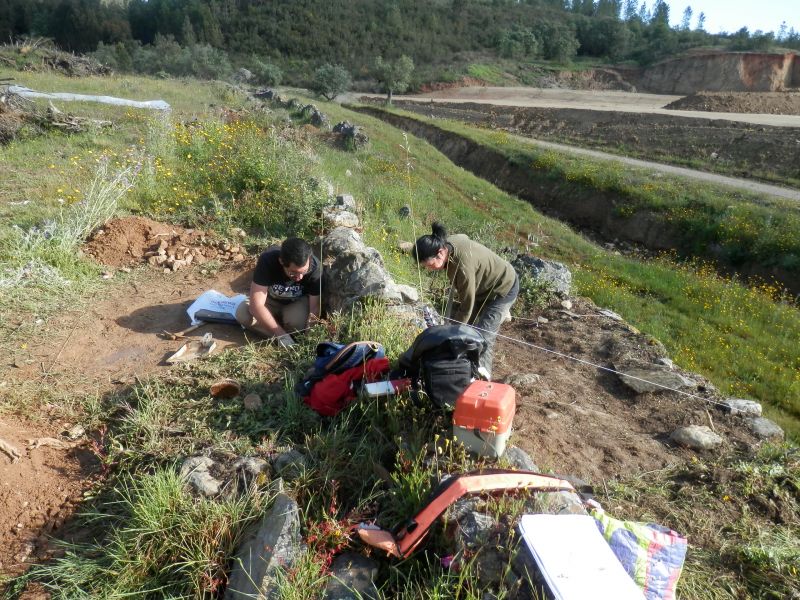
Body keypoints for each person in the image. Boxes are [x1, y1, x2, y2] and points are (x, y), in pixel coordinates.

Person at [413, 223, 518, 378]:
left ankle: (483, 378)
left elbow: (467, 306)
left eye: (430, 265)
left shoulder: (461, 268)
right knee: (467, 330)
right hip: (482, 287)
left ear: (440, 253)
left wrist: (450, 334)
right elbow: (464, 237)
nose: (430, 269)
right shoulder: (448, 243)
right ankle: (463, 366)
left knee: (483, 336)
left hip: (502, 288)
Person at [236, 237, 321, 347]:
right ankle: (281, 336)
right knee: (243, 314)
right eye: (293, 273)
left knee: (298, 325)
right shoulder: (267, 260)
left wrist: (308, 339)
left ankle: (282, 331)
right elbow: (256, 306)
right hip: (270, 301)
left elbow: (314, 308)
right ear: (281, 261)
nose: (299, 277)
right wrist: (281, 335)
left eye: (303, 272)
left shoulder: (316, 268)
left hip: (295, 303)